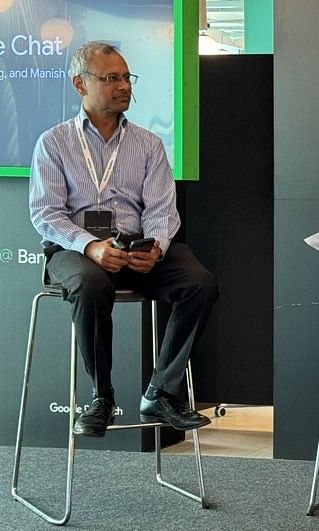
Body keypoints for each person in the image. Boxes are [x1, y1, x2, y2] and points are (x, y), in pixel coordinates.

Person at [28, 41, 218, 437]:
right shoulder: (53, 143)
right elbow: (46, 213)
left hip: (135, 248)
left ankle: (162, 392)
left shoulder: (148, 143)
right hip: (76, 249)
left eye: (126, 77)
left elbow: (162, 210)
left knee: (200, 283)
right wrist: (91, 246)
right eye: (110, 78)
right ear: (80, 84)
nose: (123, 86)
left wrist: (155, 248)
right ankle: (102, 397)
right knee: (91, 283)